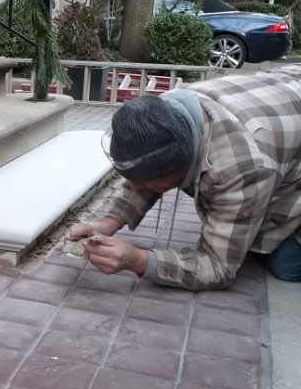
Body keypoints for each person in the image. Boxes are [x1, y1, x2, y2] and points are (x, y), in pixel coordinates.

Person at [70, 67, 301, 290]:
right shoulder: (165, 112)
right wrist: (107, 223)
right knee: (245, 232)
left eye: (143, 181)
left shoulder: (241, 167)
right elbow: (145, 170)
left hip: (274, 132)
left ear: (182, 167)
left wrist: (139, 261)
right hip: (283, 100)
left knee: (285, 264)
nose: (134, 186)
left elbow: (217, 267)